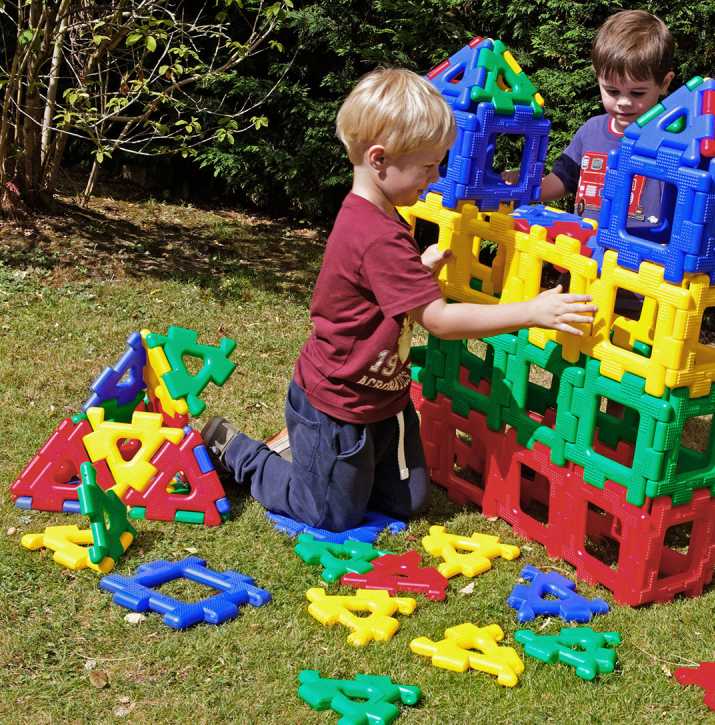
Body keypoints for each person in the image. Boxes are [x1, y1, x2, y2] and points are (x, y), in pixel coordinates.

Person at [201, 67, 597, 533]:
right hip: (338, 403)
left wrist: (418, 273)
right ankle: (239, 450)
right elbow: (441, 321)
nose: (434, 178)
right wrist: (531, 312)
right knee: (331, 514)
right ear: (380, 159)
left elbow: (376, 288)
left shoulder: (383, 216)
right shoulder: (376, 233)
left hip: (385, 400)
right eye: (428, 166)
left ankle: (318, 460)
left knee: (407, 501)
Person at [505, 9, 674, 227]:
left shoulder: (671, 139)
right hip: (585, 254)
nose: (624, 102)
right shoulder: (590, 130)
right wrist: (525, 184)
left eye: (637, 93)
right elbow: (563, 180)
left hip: (641, 258)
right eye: (612, 91)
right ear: (598, 77)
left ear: (664, 84)